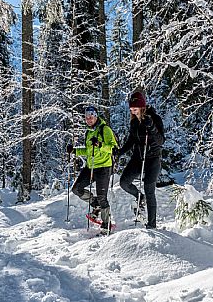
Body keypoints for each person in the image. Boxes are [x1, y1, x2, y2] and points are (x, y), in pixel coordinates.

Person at [116, 91, 165, 229]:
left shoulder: (155, 118)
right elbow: (132, 140)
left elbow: (161, 141)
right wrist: (120, 152)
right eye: (131, 109)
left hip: (153, 158)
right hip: (138, 157)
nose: (133, 111)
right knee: (124, 182)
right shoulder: (134, 122)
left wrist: (152, 127)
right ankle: (139, 196)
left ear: (142, 107)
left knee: (149, 188)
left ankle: (152, 224)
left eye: (135, 109)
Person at [66, 106, 118, 234]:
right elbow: (89, 151)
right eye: (86, 118)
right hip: (91, 167)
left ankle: (106, 225)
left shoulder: (105, 129)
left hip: (104, 167)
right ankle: (96, 205)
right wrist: (75, 151)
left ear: (96, 116)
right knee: (76, 189)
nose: (88, 120)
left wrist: (100, 145)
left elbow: (113, 148)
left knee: (102, 197)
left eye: (91, 117)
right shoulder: (89, 132)